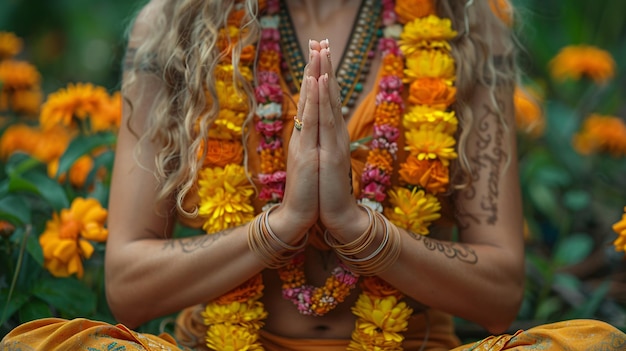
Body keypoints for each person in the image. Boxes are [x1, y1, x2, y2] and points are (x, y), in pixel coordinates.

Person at [2, 0, 624, 350]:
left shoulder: (469, 24)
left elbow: (498, 294)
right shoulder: (177, 23)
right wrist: (281, 227)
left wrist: (361, 229)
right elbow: (129, 286)